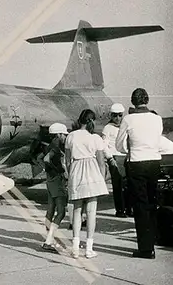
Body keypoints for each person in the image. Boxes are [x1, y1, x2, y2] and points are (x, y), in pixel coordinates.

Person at [115, 88, 163, 259]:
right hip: (154, 162)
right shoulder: (157, 119)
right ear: (147, 100)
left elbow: (119, 144)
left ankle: (145, 248)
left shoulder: (128, 119)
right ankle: (153, 241)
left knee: (140, 205)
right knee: (152, 202)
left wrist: (129, 151)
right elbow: (157, 138)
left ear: (133, 102)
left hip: (137, 163)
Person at [65, 109, 109, 259]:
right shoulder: (96, 138)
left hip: (76, 170)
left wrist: (72, 175)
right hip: (92, 173)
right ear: (92, 121)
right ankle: (89, 249)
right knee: (91, 213)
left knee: (77, 211)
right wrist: (101, 180)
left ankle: (75, 248)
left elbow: (67, 160)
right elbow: (101, 162)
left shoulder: (70, 136)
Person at [41, 123, 69, 252]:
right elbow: (47, 159)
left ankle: (49, 237)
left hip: (49, 179)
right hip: (57, 180)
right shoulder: (56, 147)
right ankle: (48, 240)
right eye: (64, 134)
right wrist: (59, 170)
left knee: (50, 209)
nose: (65, 137)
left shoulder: (49, 146)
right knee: (61, 211)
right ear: (58, 134)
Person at [102, 103, 132, 218]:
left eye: (120, 115)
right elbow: (104, 145)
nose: (118, 118)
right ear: (111, 115)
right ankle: (120, 210)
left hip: (126, 157)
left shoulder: (125, 126)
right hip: (114, 158)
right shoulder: (108, 128)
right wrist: (110, 158)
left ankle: (129, 209)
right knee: (118, 186)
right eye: (115, 116)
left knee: (128, 185)